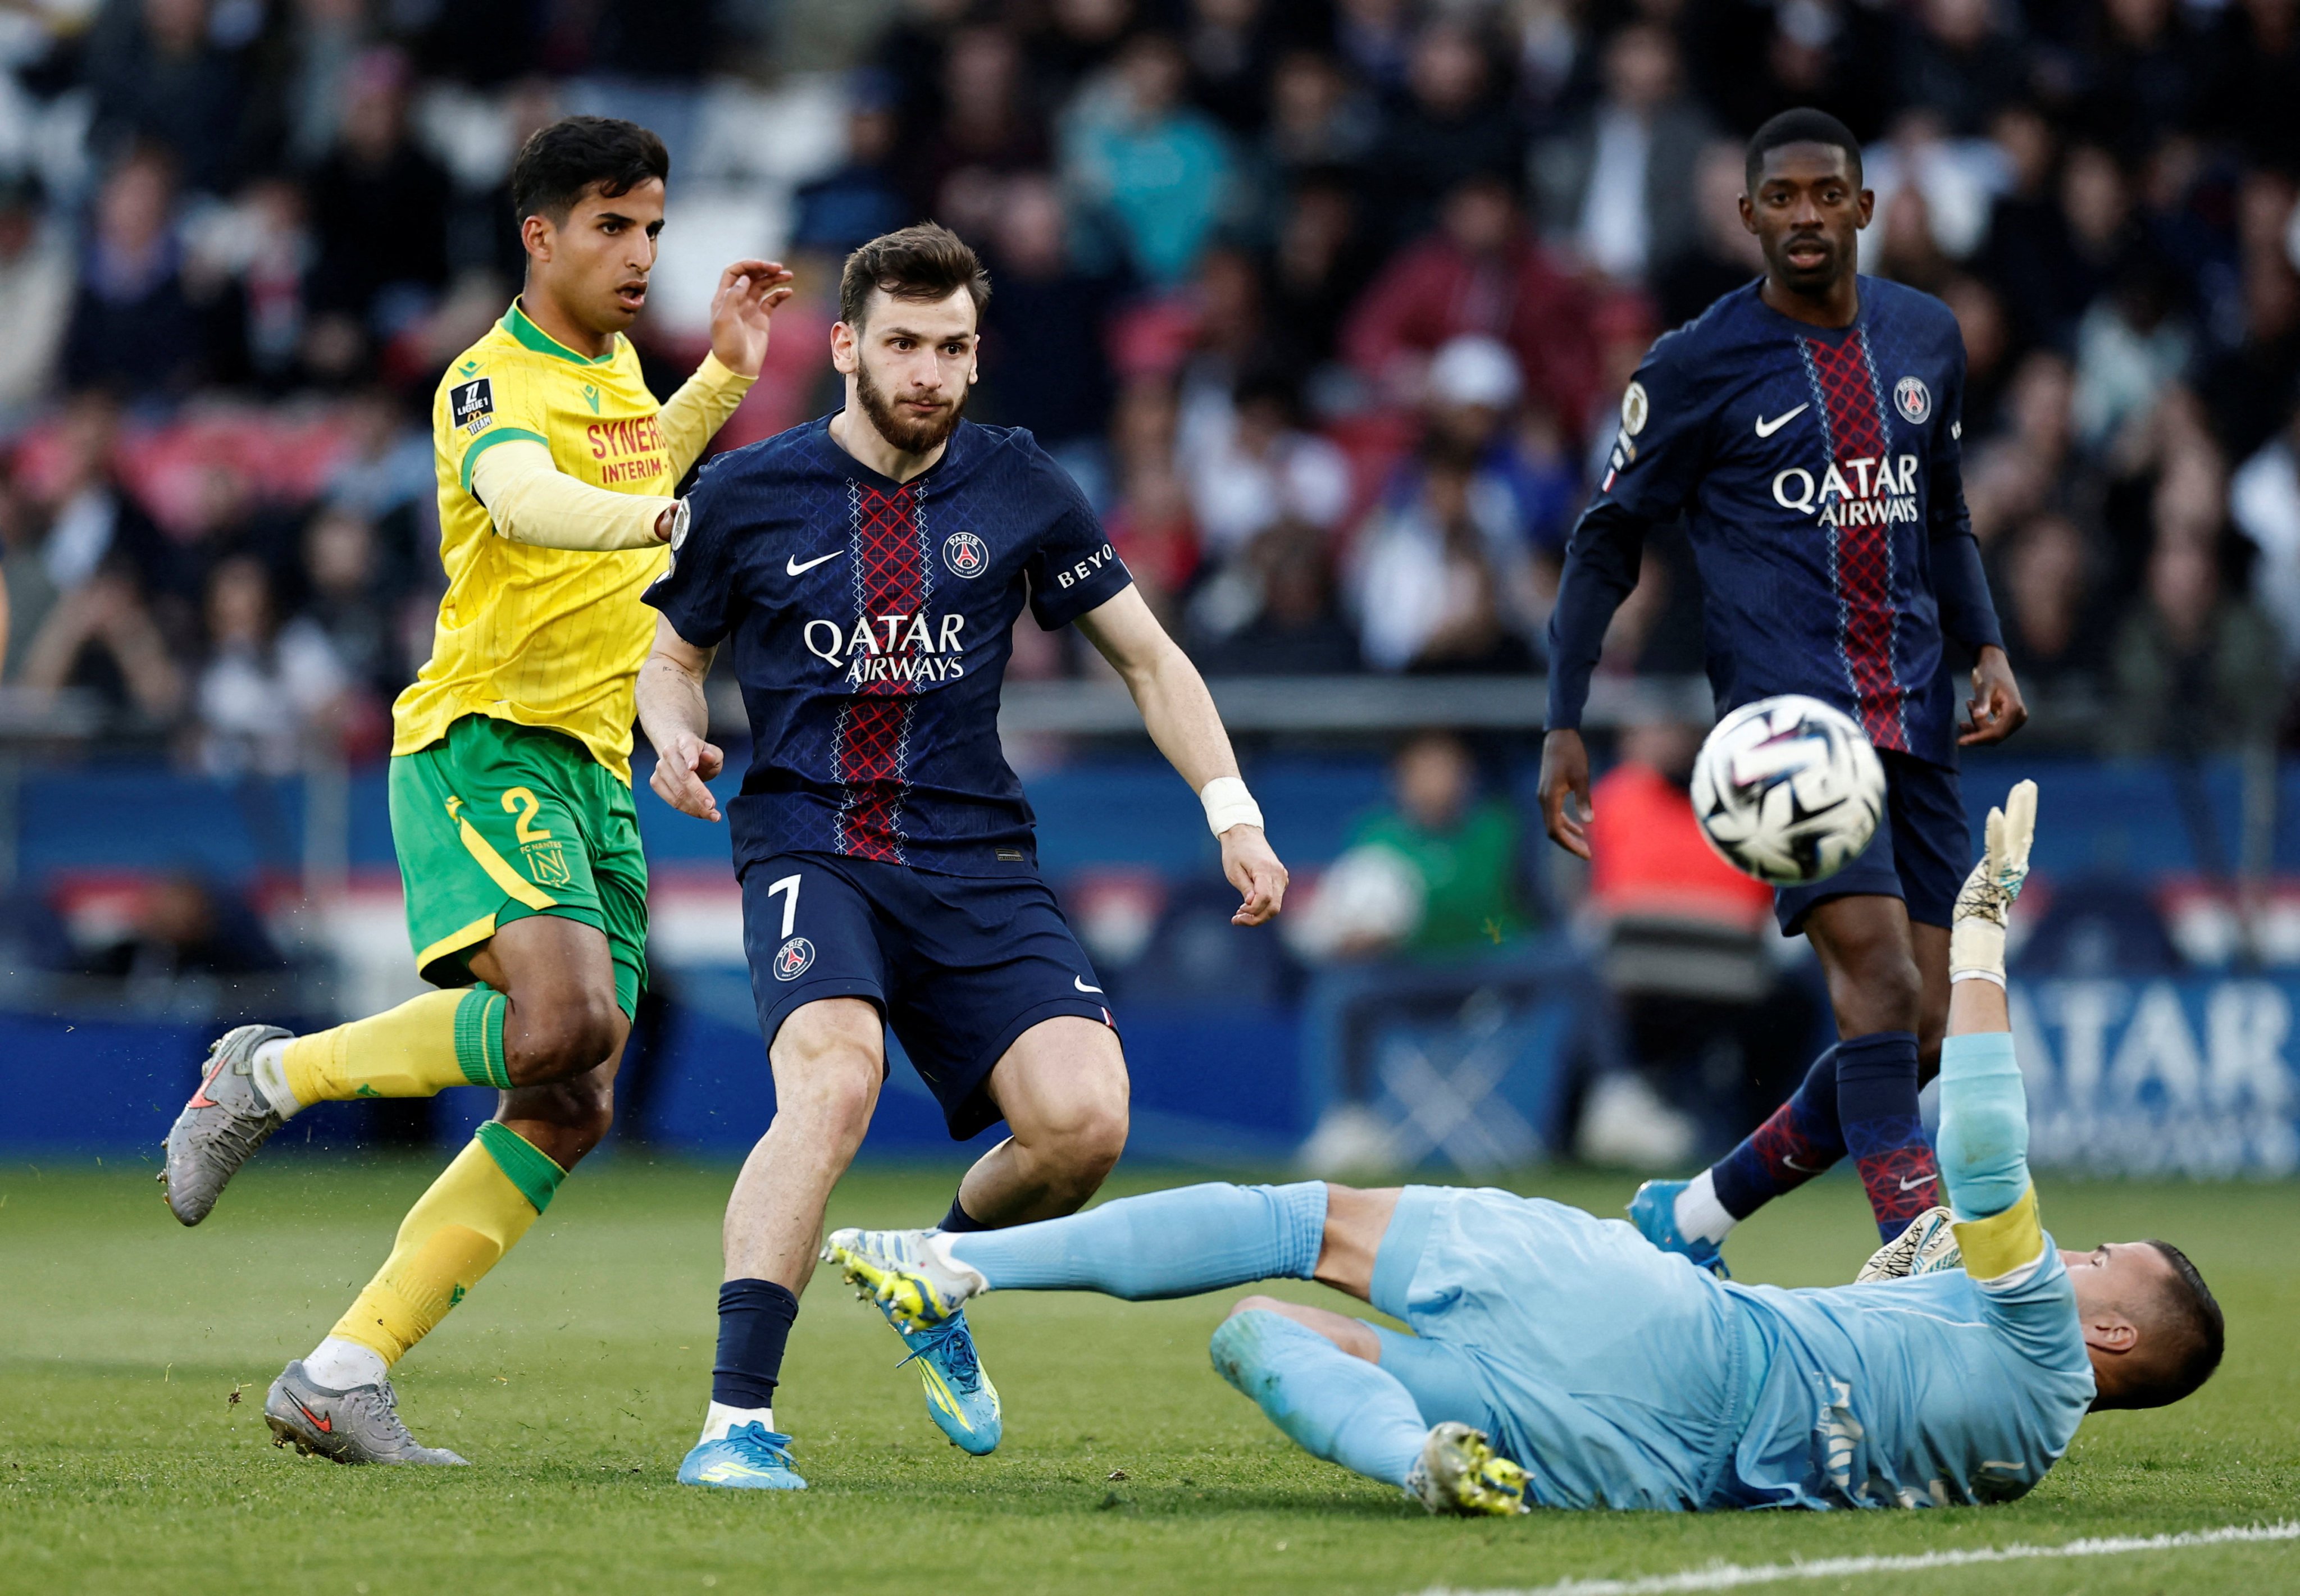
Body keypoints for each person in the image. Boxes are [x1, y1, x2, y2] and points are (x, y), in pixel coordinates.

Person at [826, 783, 2224, 1514]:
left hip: (1678, 1343)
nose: (2069, 1251)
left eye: (2099, 1260)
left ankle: (961, 1267)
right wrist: (1709, 1201)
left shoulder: (2039, 1335)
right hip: (1657, 1466)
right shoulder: (2010, 1446)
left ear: (2109, 1340)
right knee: (1261, 1334)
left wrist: (1977, 927)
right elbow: (1828, 1144)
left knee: (1298, 1222)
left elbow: (1979, 1154)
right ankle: (1416, 1458)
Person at [158, 116, 794, 1466]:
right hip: (482, 742)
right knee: (561, 1019)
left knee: (572, 1095)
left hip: (590, 764)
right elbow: (529, 501)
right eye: (614, 227)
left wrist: (720, 385)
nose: (640, 256)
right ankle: (268, 1071)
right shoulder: (484, 381)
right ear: (541, 234)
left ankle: (341, 1371)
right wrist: (676, 520)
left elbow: (627, 479)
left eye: (655, 229)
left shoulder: (623, 368)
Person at [636, 223, 1290, 1490]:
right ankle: (733, 1422)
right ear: (843, 347)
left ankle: (926, 1269)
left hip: (973, 852)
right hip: (808, 841)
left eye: (950, 347)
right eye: (901, 344)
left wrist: (1233, 813)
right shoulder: (745, 492)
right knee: (832, 1081)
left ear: (975, 354)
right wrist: (671, 737)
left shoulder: (1021, 485)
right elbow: (671, 659)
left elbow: (1149, 658)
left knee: (1084, 1123)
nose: (927, 371)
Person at [1536, 108, 2028, 1270]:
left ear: (1860, 208)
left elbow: (1942, 511)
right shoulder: (1694, 363)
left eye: (1826, 194)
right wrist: (1563, 716)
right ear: (1747, 214)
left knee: (1912, 1028)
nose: (1804, 215)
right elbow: (1608, 540)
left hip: (1910, 715)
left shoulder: (1924, 337)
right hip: (1787, 736)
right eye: (1782, 198)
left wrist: (1988, 644)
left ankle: (1694, 1213)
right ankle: (1913, 1235)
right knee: (1877, 973)